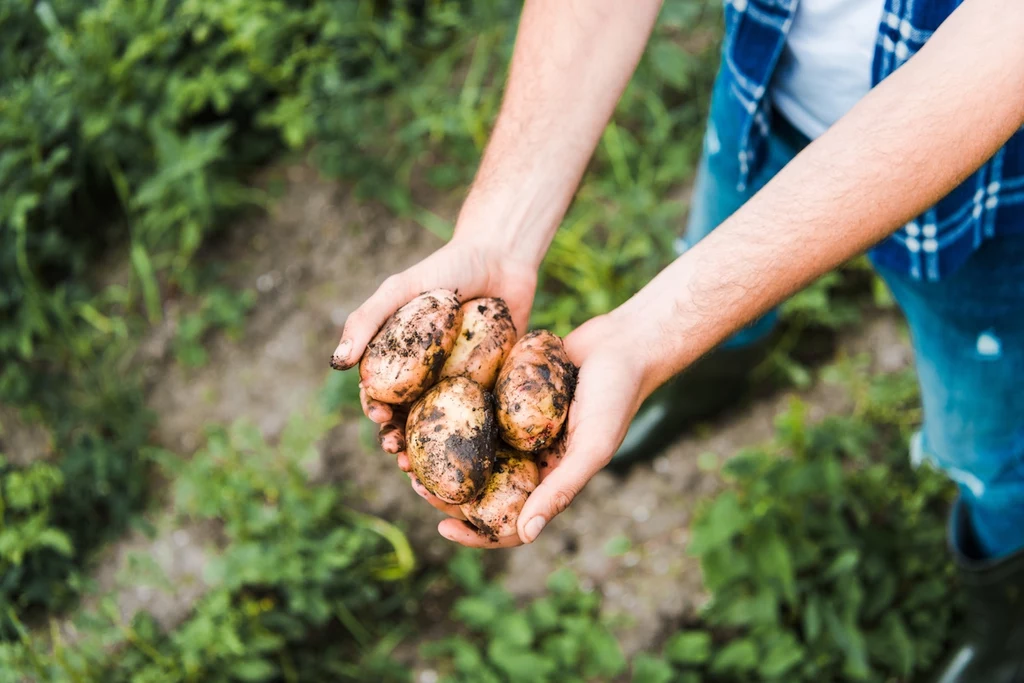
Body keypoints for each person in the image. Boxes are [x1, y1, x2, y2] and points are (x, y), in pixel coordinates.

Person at [331, 1, 1024, 680]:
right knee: (712, 258)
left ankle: (1006, 619)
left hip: (994, 182)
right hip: (766, 82)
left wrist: (655, 331)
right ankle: (710, 376)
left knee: (987, 440)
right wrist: (498, 234)